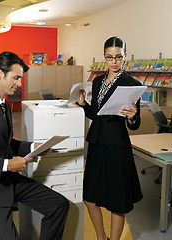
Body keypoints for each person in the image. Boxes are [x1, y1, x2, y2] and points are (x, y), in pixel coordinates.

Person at [0, 51, 69, 240]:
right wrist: (7, 165)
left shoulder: (4, 105)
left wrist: (33, 147)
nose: (19, 84)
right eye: (16, 78)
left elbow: (5, 145)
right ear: (0, 74)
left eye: (20, 78)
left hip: (8, 180)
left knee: (59, 205)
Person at [77, 36, 143, 240]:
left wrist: (132, 117)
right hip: (96, 145)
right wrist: (83, 105)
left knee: (117, 201)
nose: (114, 62)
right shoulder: (96, 81)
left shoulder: (132, 84)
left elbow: (135, 122)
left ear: (125, 56)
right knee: (89, 198)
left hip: (117, 146)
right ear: (104, 57)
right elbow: (97, 114)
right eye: (109, 57)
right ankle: (101, 237)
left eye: (118, 57)